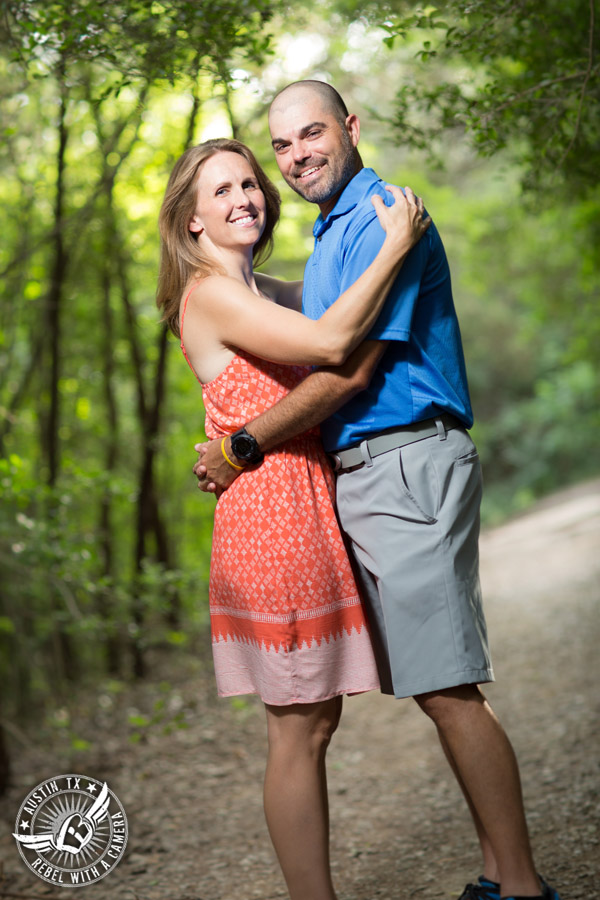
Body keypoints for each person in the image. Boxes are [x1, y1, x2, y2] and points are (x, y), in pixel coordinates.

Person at [193, 83, 562, 900]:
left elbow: (348, 364)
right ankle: (504, 876)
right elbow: (287, 321)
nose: (292, 161)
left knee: (444, 687)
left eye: (309, 136)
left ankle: (522, 887)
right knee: (345, 709)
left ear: (350, 127)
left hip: (400, 463)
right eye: (279, 148)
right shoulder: (331, 239)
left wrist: (244, 441)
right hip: (342, 488)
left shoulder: (376, 220)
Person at [156, 136, 430, 900]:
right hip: (270, 518)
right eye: (222, 191)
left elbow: (334, 299)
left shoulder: (261, 290)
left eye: (250, 182)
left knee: (315, 723)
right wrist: (397, 242)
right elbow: (334, 341)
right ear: (192, 223)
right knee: (298, 729)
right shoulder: (210, 294)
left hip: (302, 505)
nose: (246, 196)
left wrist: (370, 249)